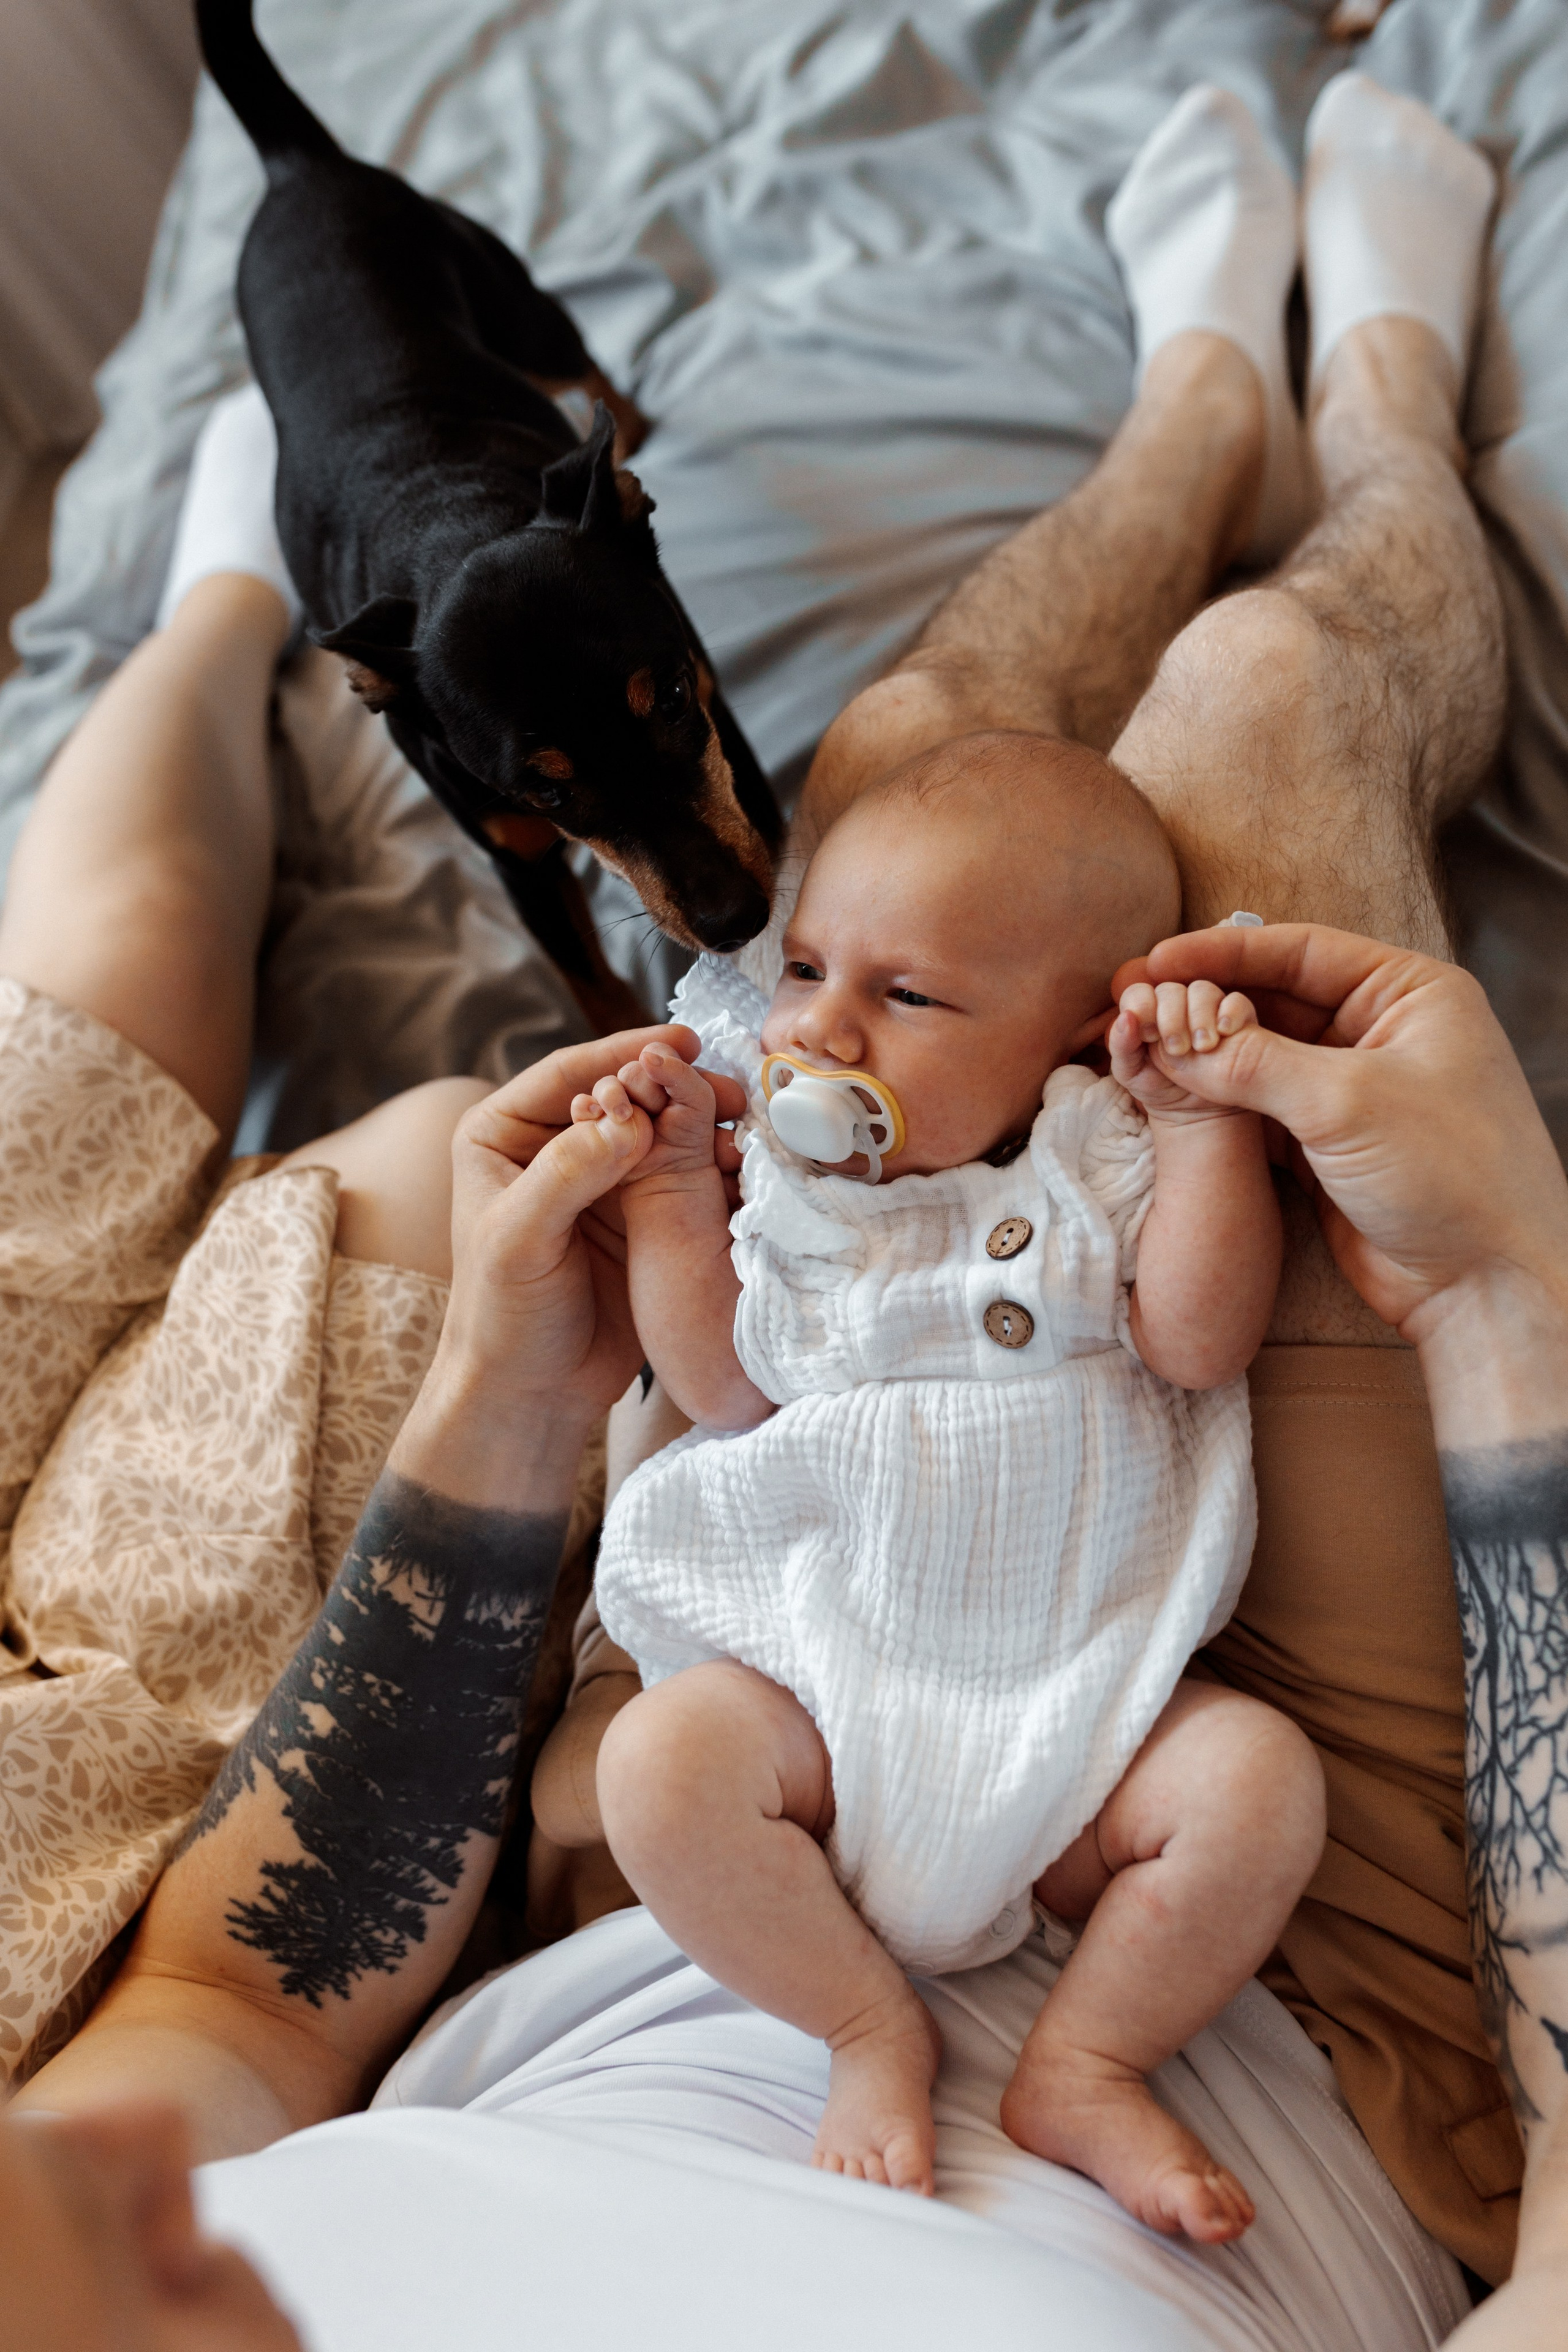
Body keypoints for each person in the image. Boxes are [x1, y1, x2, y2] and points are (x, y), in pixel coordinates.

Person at [0, 58, 1555, 2346]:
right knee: (1262, 691)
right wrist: (1510, 1293)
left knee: (909, 793)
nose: (804, 1026)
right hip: (1289, 1985)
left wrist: (519, 1388)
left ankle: (1208, 409)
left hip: (767, 1758)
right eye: (812, 998)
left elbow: (230, 2011)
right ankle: (1372, 409)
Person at [579, 744, 1315, 2238]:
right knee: (656, 1768)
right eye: (800, 969)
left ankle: (1088, 2061)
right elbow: (725, 1387)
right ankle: (862, 2026)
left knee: (1252, 1788)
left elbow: (1195, 1339)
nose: (822, 1030)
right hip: (822, 1705)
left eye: (904, 997)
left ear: (1075, 1036)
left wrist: (1205, 1127)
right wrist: (667, 1198)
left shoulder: (1099, 1162)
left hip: (1086, 1736)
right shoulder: (795, 1202)